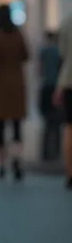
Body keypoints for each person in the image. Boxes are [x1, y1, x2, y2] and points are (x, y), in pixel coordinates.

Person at [0, 4, 29, 181]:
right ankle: (17, 161)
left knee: (0, 126)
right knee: (17, 125)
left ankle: (1, 165)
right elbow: (27, 55)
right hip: (17, 83)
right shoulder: (18, 33)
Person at [54, 13, 72, 189]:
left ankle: (70, 172)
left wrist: (58, 87)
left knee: (69, 127)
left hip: (68, 80)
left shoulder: (67, 22)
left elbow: (62, 54)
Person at [38, 31, 62, 162]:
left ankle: (45, 153)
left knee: (47, 124)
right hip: (57, 88)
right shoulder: (58, 52)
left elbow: (39, 71)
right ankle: (56, 152)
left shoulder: (43, 51)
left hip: (46, 88)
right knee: (57, 124)